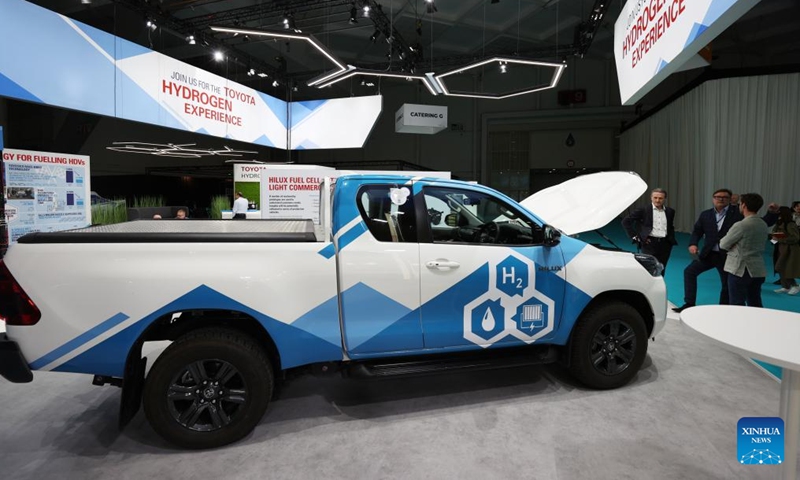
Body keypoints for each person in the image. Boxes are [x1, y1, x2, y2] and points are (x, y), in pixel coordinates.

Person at [672, 188, 743, 313]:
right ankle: (689, 303)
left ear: (729, 199)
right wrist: (693, 244)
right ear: (713, 199)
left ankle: (723, 309)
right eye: (717, 196)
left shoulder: (737, 214)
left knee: (727, 284)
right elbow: (697, 231)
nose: (720, 199)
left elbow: (761, 221)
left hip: (727, 256)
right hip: (708, 254)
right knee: (689, 272)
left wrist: (772, 214)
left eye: (724, 197)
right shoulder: (706, 214)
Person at [719, 193, 768, 307]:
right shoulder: (763, 223)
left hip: (740, 268)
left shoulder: (741, 225)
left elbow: (723, 244)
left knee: (737, 303)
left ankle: (738, 324)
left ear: (744, 205)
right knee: (755, 301)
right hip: (757, 268)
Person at [621, 188, 677, 273]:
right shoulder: (643, 210)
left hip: (665, 245)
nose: (657, 200)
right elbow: (625, 221)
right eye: (655, 197)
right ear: (651, 198)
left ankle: (659, 286)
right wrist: (636, 237)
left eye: (660, 198)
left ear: (665, 199)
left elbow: (670, 226)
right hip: (649, 244)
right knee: (648, 269)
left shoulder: (670, 211)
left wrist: (670, 239)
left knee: (661, 269)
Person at [771, 206, 800, 295]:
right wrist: (774, 240)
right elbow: (774, 234)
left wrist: (781, 239)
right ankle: (786, 286)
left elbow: (795, 237)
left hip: (791, 250)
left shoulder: (790, 224)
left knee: (786, 269)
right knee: (780, 268)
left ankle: (794, 285)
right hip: (781, 249)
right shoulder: (779, 223)